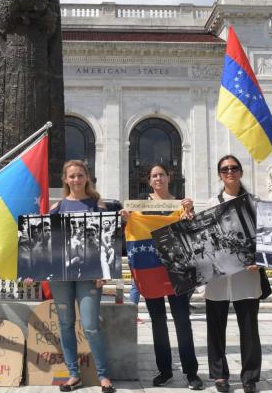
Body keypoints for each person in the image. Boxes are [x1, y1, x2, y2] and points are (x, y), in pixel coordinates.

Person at [120, 163, 201, 390]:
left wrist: (189, 214)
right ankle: (164, 370)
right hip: (152, 271)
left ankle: (191, 372)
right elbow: (133, 230)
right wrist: (127, 220)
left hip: (177, 270)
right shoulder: (140, 206)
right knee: (158, 322)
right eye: (154, 175)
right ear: (149, 181)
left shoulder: (180, 204)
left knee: (182, 321)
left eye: (162, 175)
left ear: (169, 177)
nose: (158, 178)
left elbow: (192, 233)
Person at [49, 160, 115, 393]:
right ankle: (73, 374)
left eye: (80, 175)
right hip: (60, 276)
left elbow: (107, 241)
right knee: (65, 324)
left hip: (90, 275)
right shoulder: (57, 208)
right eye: (71, 176)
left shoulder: (98, 205)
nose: (76, 180)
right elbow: (48, 244)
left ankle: (103, 375)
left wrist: (104, 272)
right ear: (65, 180)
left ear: (87, 177)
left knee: (90, 325)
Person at [205, 155, 265, 393]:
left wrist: (260, 258)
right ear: (220, 174)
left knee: (250, 329)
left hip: (247, 276)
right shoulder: (211, 203)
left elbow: (265, 236)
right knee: (215, 328)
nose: (229, 172)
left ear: (241, 172)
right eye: (224, 169)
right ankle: (220, 375)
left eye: (233, 168)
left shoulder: (255, 202)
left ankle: (249, 377)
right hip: (218, 277)